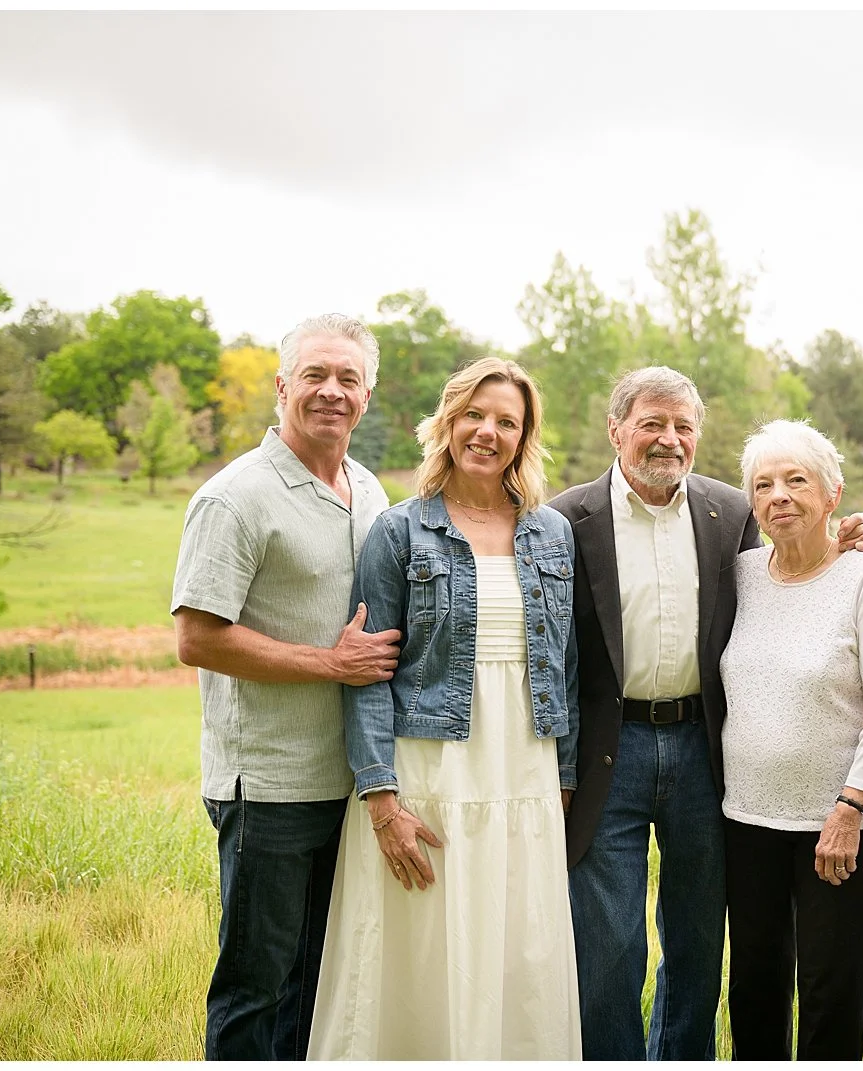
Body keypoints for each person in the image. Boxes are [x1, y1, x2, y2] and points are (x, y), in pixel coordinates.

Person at [549, 367, 863, 1061]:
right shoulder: (565, 520)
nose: (670, 440)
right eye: (653, 424)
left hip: (705, 750)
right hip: (611, 750)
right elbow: (552, 656)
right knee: (610, 943)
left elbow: (794, 579)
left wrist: (843, 538)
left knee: (699, 942)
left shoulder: (730, 513)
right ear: (617, 432)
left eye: (684, 427)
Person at [308, 357, 582, 1059]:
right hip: (429, 772)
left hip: (524, 771)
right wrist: (381, 798)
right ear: (449, 423)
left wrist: (564, 780)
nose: (487, 431)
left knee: (519, 949)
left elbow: (567, 663)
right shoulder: (399, 531)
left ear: (524, 437)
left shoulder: (552, 532)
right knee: (424, 949)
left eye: (506, 421)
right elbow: (367, 672)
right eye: (474, 415)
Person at [171, 313, 401, 1060]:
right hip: (268, 785)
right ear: (282, 386)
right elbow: (197, 638)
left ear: (368, 393)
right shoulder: (234, 497)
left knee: (322, 982)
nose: (331, 392)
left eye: (347, 378)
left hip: (349, 783)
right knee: (255, 987)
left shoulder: (368, 489)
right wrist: (330, 663)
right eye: (315, 375)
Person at [717, 420, 863, 1060]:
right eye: (764, 484)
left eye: (797, 480)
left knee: (830, 987)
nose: (780, 496)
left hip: (838, 820)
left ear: (832, 494)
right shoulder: (740, 574)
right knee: (754, 983)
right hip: (745, 817)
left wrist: (852, 807)